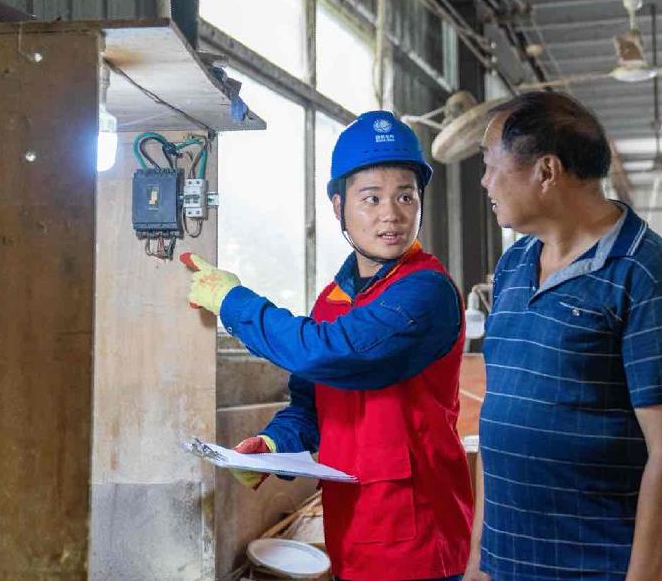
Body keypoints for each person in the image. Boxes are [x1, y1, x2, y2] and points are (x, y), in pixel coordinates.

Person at [181, 110, 473, 581]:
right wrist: (275, 442)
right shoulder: (332, 300)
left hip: (417, 541)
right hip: (352, 533)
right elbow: (311, 401)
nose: (392, 214)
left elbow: (332, 351)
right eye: (371, 198)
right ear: (338, 207)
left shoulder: (426, 290)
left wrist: (233, 303)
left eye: (406, 196)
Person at [463, 92, 662, 581]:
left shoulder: (644, 271)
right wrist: (479, 560)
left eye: (490, 164)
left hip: (600, 568)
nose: (484, 181)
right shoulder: (513, 265)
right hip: (508, 565)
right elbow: (500, 420)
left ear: (546, 171)